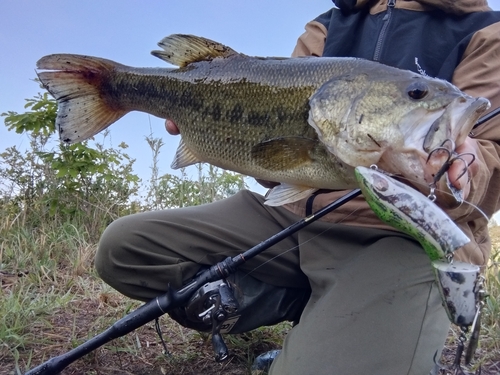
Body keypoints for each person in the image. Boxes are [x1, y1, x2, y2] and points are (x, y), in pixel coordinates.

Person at [95, 1, 500, 374]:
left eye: (416, 93)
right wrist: (217, 126)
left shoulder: (486, 31)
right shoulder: (327, 25)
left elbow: (488, 156)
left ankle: (345, 324)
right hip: (296, 219)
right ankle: (313, 306)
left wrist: (463, 172)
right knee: (125, 247)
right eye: (416, 94)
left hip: (404, 237)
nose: (429, 102)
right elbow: (276, 168)